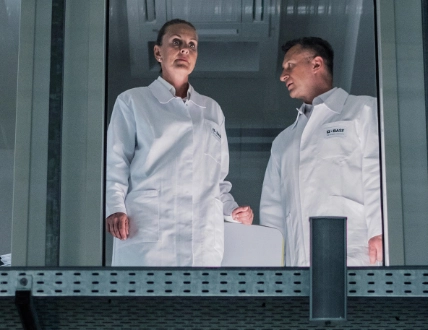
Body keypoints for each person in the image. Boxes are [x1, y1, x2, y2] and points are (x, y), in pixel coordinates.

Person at [106, 19, 253, 266]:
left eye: (192, 45)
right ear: (158, 52)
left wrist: (234, 211)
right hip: (148, 231)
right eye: (176, 42)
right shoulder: (133, 101)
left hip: (202, 240)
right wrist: (114, 207)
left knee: (197, 304)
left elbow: (217, 180)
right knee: (143, 302)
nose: (185, 49)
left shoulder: (212, 110)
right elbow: (116, 163)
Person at [260, 37, 382, 267]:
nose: (282, 75)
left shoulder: (363, 110)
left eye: (290, 66)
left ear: (316, 64)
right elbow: (272, 210)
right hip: (299, 266)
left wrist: (380, 230)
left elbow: (377, 173)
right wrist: (274, 268)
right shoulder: (283, 142)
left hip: (358, 252)